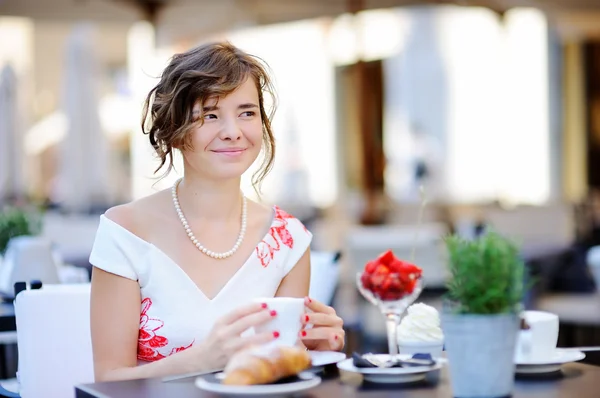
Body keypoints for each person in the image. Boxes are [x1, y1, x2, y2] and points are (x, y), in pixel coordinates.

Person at [89, 42, 345, 382]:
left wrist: (315, 349)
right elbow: (107, 378)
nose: (232, 131)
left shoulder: (288, 240)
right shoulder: (125, 231)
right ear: (174, 131)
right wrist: (201, 360)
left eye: (247, 112)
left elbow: (280, 367)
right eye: (210, 115)